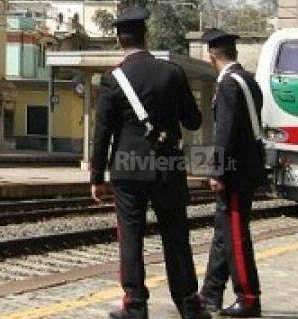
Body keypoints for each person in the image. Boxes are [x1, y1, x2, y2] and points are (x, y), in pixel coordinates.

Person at [90, 6, 211, 319]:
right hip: (168, 169)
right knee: (176, 237)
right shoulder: (172, 72)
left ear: (120, 40)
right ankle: (189, 303)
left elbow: (102, 133)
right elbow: (194, 121)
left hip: (128, 172)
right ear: (146, 36)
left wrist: (96, 177)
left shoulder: (112, 80)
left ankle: (135, 305)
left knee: (130, 237)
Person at [198, 28, 263, 318]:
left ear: (212, 56)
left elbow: (226, 132)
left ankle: (248, 298)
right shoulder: (249, 80)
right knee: (224, 232)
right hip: (248, 166)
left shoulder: (227, 85)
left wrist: (218, 170)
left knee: (235, 234)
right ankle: (210, 294)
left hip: (235, 171)